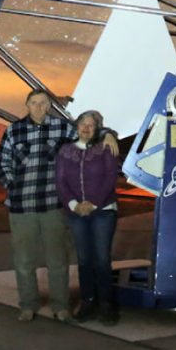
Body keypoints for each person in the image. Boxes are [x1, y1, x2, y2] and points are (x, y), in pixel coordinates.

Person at [0, 89, 117, 323]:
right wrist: (11, 184)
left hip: (53, 205)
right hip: (22, 206)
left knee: (57, 261)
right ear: (27, 104)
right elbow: (1, 160)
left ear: (49, 106)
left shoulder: (62, 128)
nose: (40, 107)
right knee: (24, 261)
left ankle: (60, 307)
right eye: (35, 103)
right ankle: (28, 305)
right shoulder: (13, 130)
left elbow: (88, 132)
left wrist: (108, 134)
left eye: (44, 103)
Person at [55, 110, 121, 326]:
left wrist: (92, 203)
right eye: (82, 123)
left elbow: (110, 178)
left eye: (91, 124)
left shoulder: (106, 149)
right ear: (77, 127)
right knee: (84, 260)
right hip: (76, 214)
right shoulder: (65, 151)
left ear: (97, 128)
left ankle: (106, 305)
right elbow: (61, 181)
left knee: (101, 259)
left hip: (103, 212)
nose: (86, 127)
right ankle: (88, 302)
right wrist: (74, 205)